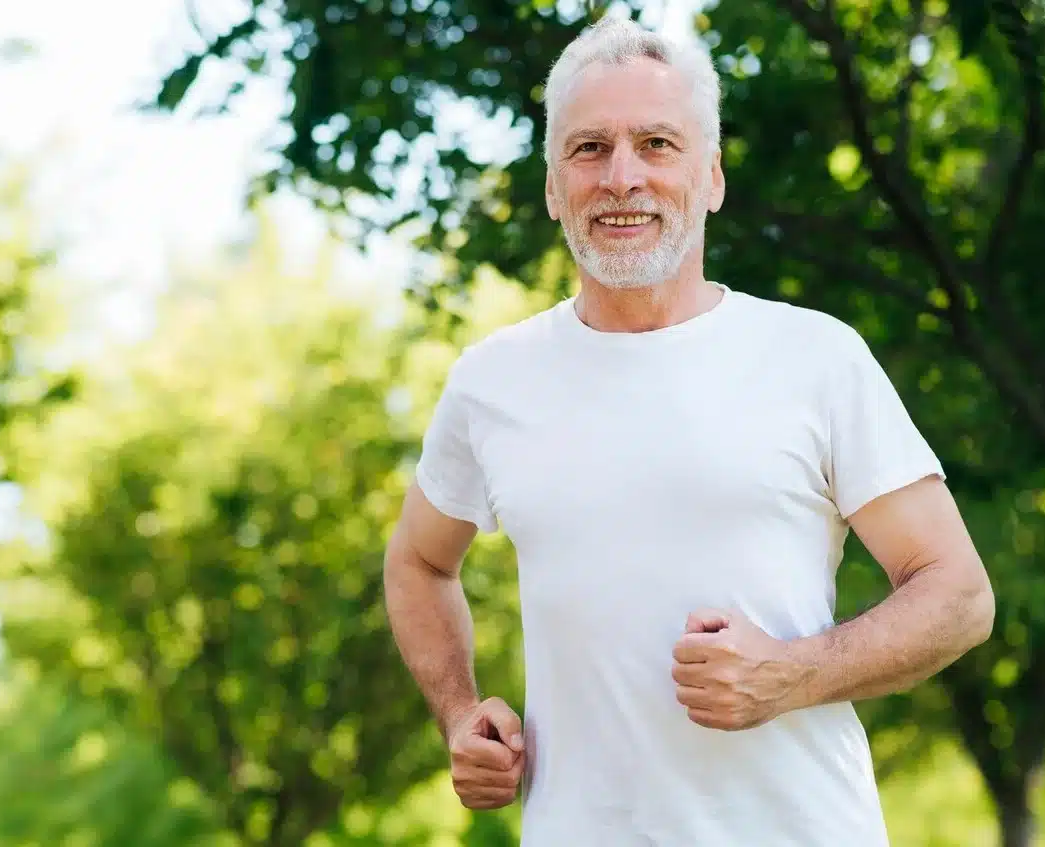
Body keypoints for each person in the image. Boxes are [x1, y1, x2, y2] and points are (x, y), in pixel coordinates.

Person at [383, 14, 995, 846]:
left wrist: (790, 674)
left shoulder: (815, 356)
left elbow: (958, 594)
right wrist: (459, 711)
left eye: (657, 145)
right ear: (554, 187)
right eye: (589, 149)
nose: (621, 177)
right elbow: (419, 561)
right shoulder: (493, 381)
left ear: (710, 177)